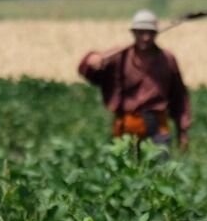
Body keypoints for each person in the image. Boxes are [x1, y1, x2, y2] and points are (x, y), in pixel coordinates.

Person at [77, 9, 191, 155]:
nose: (145, 38)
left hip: (157, 127)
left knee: (160, 173)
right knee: (125, 173)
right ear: (134, 33)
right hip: (126, 127)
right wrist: (92, 60)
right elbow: (88, 72)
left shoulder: (167, 60)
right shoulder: (118, 58)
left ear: (155, 34)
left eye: (149, 33)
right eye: (141, 33)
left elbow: (179, 96)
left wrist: (183, 131)